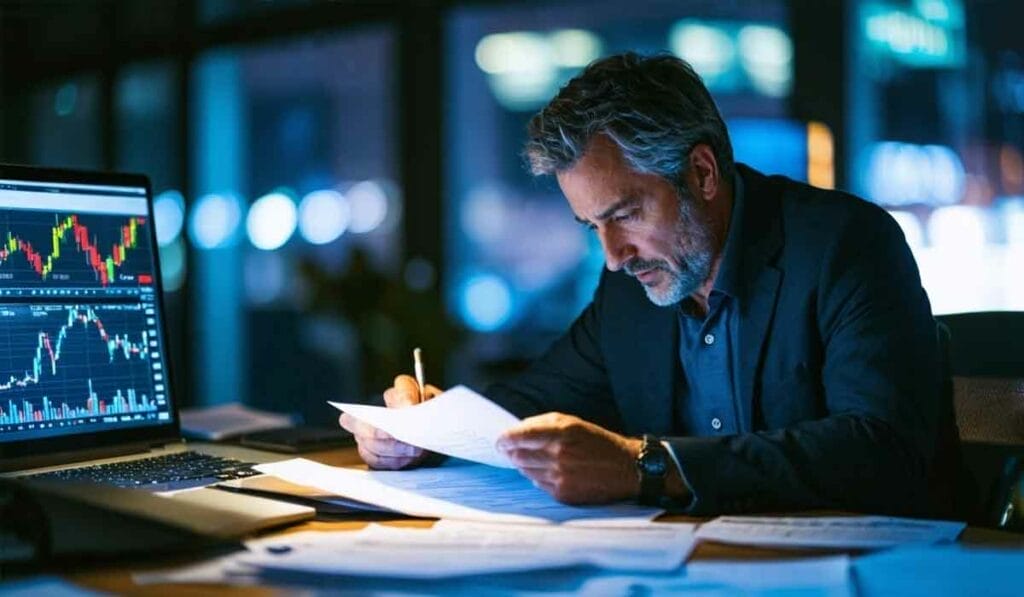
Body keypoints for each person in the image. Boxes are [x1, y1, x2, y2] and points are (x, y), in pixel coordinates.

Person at [340, 52, 958, 517]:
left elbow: (881, 452)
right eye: (592, 227)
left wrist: (646, 468)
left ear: (702, 172)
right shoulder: (628, 291)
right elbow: (523, 411)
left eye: (625, 215)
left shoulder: (846, 244)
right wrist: (425, 431)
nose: (612, 257)